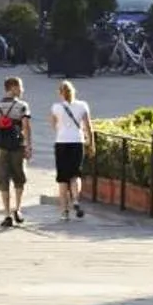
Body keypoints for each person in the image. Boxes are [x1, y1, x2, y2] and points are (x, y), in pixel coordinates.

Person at [0, 75, 32, 227]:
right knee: (19, 177)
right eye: (20, 87)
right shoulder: (22, 106)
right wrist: (28, 145)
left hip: (1, 147)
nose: (22, 90)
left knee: (2, 179)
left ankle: (6, 214)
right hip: (17, 146)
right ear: (12, 88)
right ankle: (17, 209)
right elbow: (26, 127)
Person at [49, 80, 93, 221]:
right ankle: (75, 200)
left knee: (62, 178)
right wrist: (91, 143)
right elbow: (88, 127)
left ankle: (64, 211)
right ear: (74, 91)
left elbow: (53, 125)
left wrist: (62, 129)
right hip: (77, 142)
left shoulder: (56, 107)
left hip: (61, 142)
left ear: (60, 93)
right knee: (75, 175)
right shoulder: (82, 105)